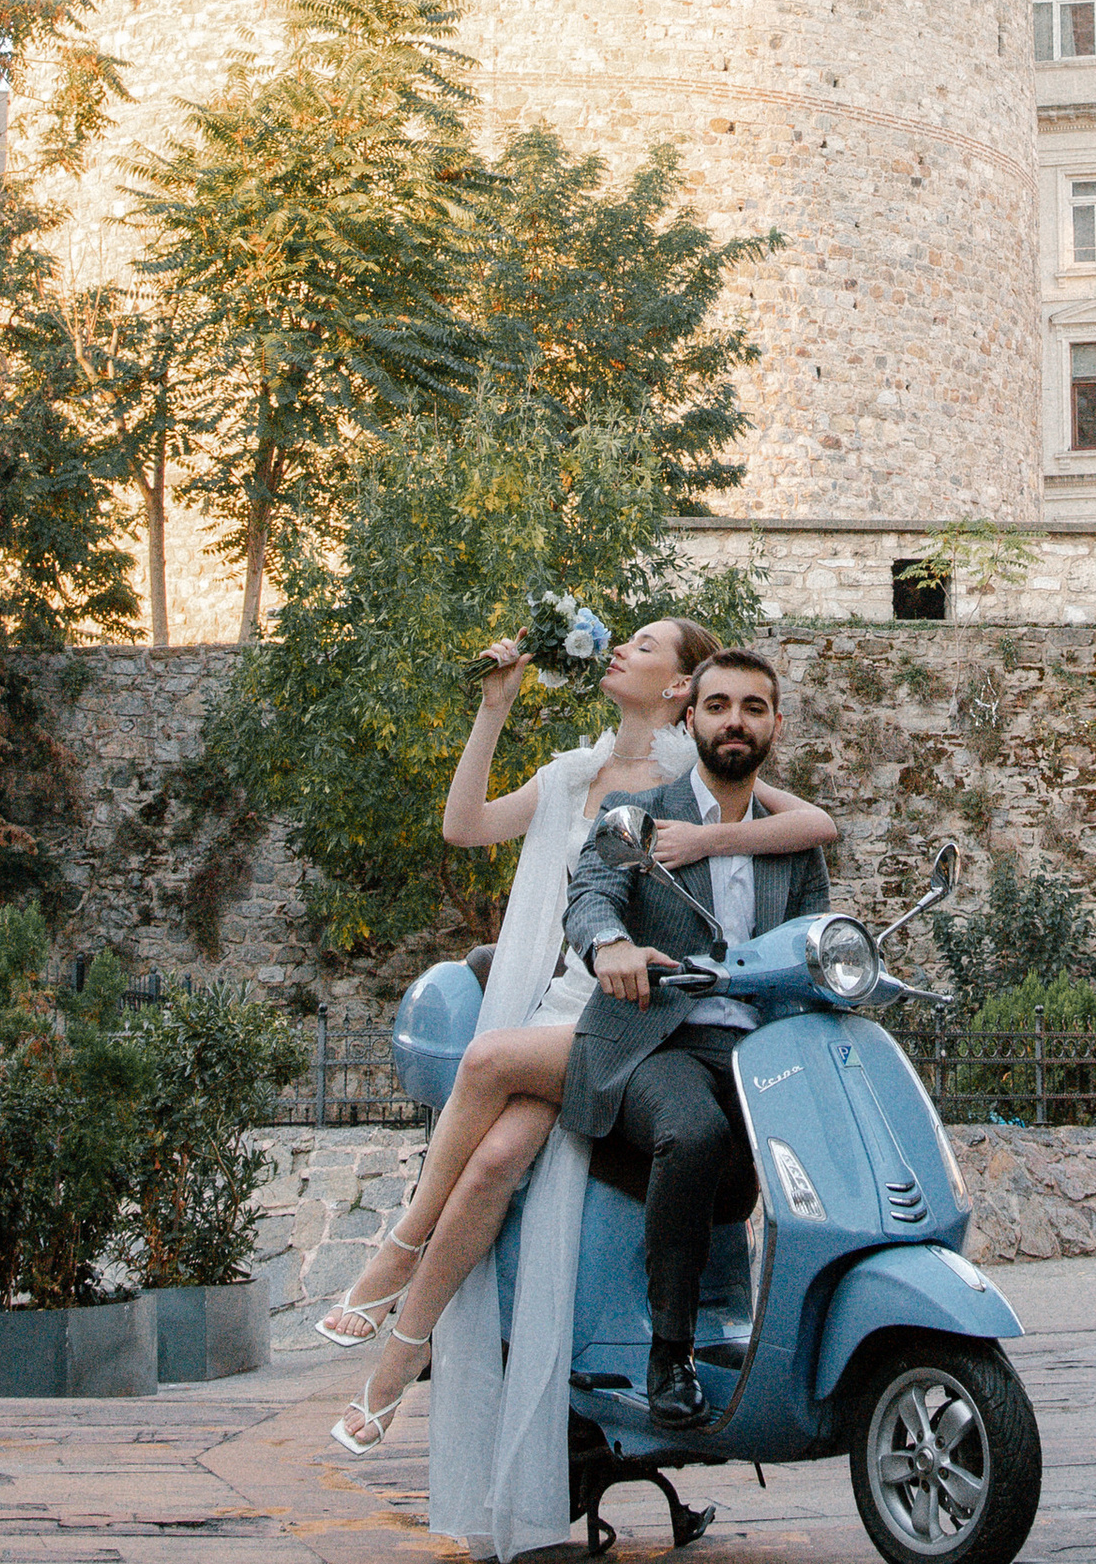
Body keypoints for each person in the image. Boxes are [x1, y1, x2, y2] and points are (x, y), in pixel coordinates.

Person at [321, 617, 836, 1515]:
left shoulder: (699, 772)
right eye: (723, 701)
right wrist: (494, 711)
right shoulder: (577, 774)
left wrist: (714, 842)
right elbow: (468, 828)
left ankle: (393, 1299)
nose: (619, 652)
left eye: (643, 646)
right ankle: (397, 1351)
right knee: (486, 1159)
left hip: (634, 1016)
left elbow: (806, 825)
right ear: (695, 699)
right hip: (581, 995)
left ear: (682, 689)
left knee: (489, 1091)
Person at [558, 646, 832, 1430]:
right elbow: (593, 890)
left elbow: (812, 942)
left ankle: (797, 1333)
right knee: (694, 1130)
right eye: (718, 706)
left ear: (775, 724)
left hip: (760, 1050)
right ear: (691, 717)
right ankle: (669, 1352)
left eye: (752, 707)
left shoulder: (792, 842)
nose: (734, 721)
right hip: (657, 1042)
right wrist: (610, 944)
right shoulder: (644, 811)